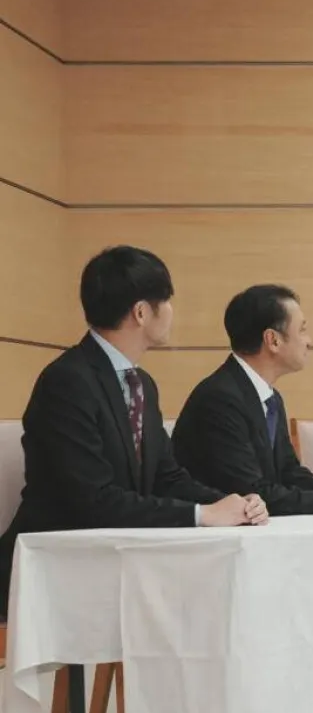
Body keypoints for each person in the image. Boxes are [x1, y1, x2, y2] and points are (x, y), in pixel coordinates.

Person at [0, 247, 267, 611]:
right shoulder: (67, 381)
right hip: (53, 569)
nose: (171, 311)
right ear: (141, 312)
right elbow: (92, 500)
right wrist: (202, 515)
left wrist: (232, 503)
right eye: (166, 301)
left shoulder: (142, 383)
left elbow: (167, 477)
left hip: (117, 558)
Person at [172, 284, 313, 517]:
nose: (309, 341)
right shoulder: (220, 399)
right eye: (302, 330)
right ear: (273, 340)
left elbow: (289, 472)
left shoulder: (269, 396)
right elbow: (252, 492)